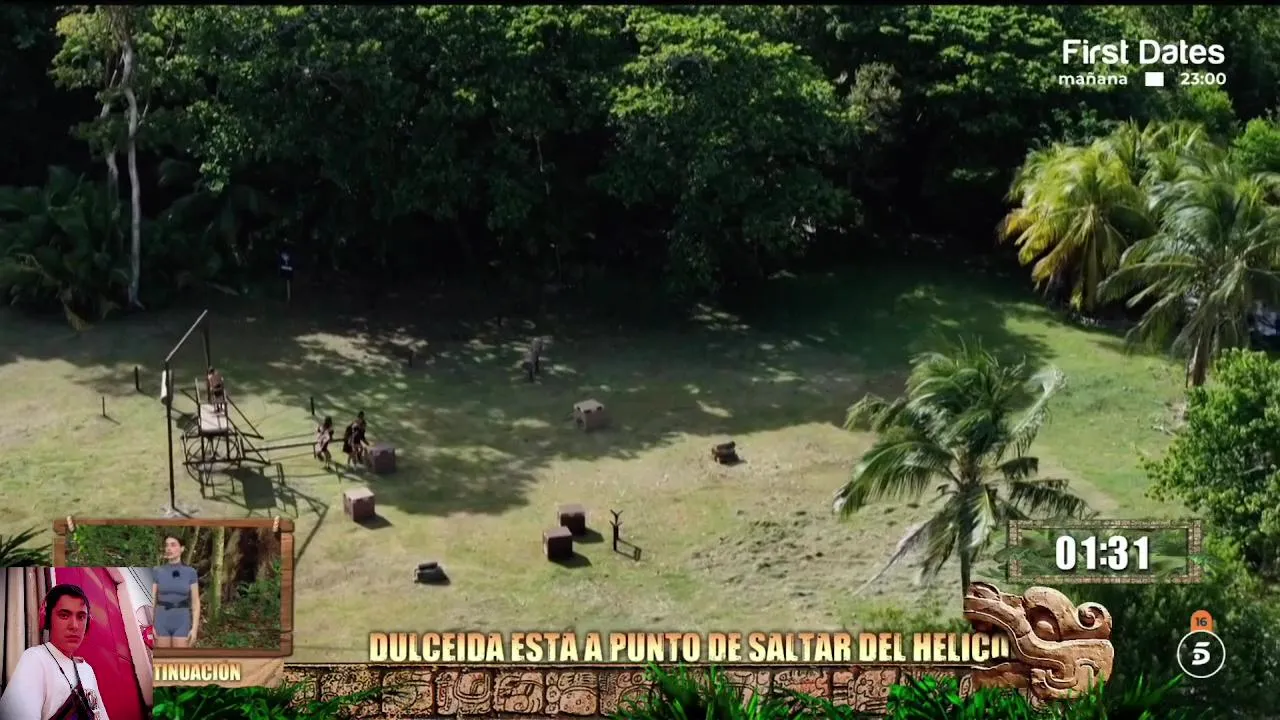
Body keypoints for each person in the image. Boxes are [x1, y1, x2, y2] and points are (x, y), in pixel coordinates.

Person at [0, 583, 110, 720]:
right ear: (47, 619)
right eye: (64, 615)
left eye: (81, 617)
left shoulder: (87, 670)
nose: (74, 626)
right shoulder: (36, 659)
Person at [150, 535, 200, 649]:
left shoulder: (190, 572)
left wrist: (194, 629)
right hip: (161, 620)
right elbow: (152, 600)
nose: (168, 548)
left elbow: (195, 603)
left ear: (182, 548)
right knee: (162, 658)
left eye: (173, 545)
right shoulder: (157, 571)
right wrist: (149, 624)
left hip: (182, 620)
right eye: (167, 545)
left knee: (179, 658)